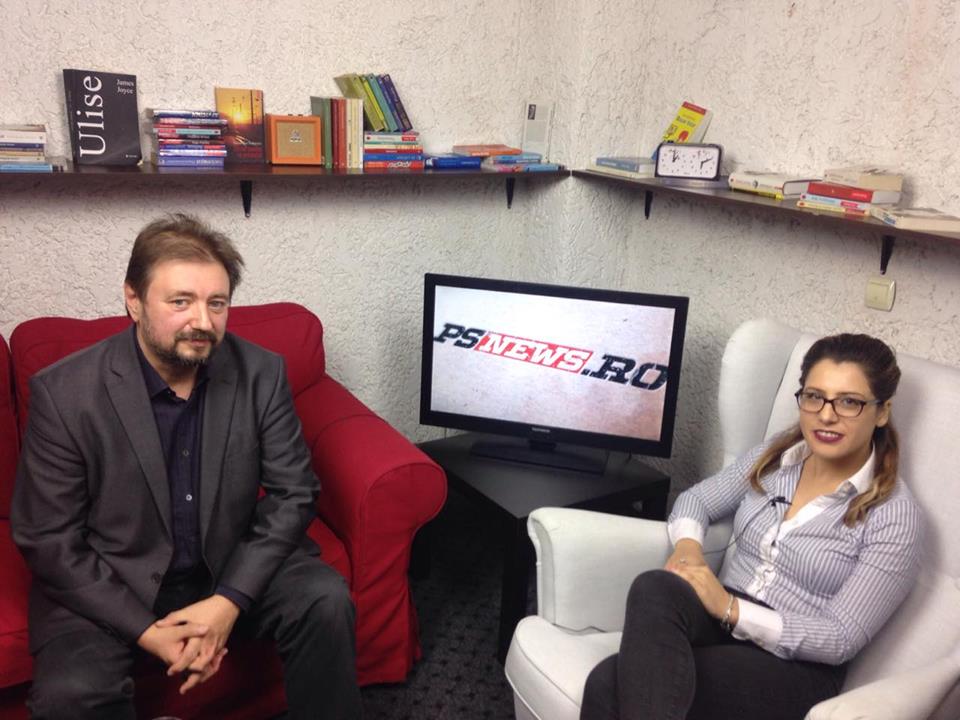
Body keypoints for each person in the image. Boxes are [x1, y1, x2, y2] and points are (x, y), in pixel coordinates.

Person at [11, 214, 361, 720]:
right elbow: (48, 537)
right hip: (114, 577)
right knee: (72, 693)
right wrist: (148, 632)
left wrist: (229, 601)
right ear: (133, 299)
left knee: (324, 600)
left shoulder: (261, 372)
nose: (203, 321)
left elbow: (295, 493)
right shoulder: (65, 392)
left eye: (216, 303)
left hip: (228, 561)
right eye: (180, 301)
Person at [580, 332, 925, 720]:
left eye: (849, 402)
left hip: (797, 665)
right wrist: (689, 552)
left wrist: (730, 608)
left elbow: (840, 638)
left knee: (608, 681)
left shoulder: (894, 515)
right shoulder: (777, 457)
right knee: (655, 586)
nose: (826, 415)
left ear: (882, 412)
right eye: (814, 396)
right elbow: (696, 501)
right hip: (724, 618)